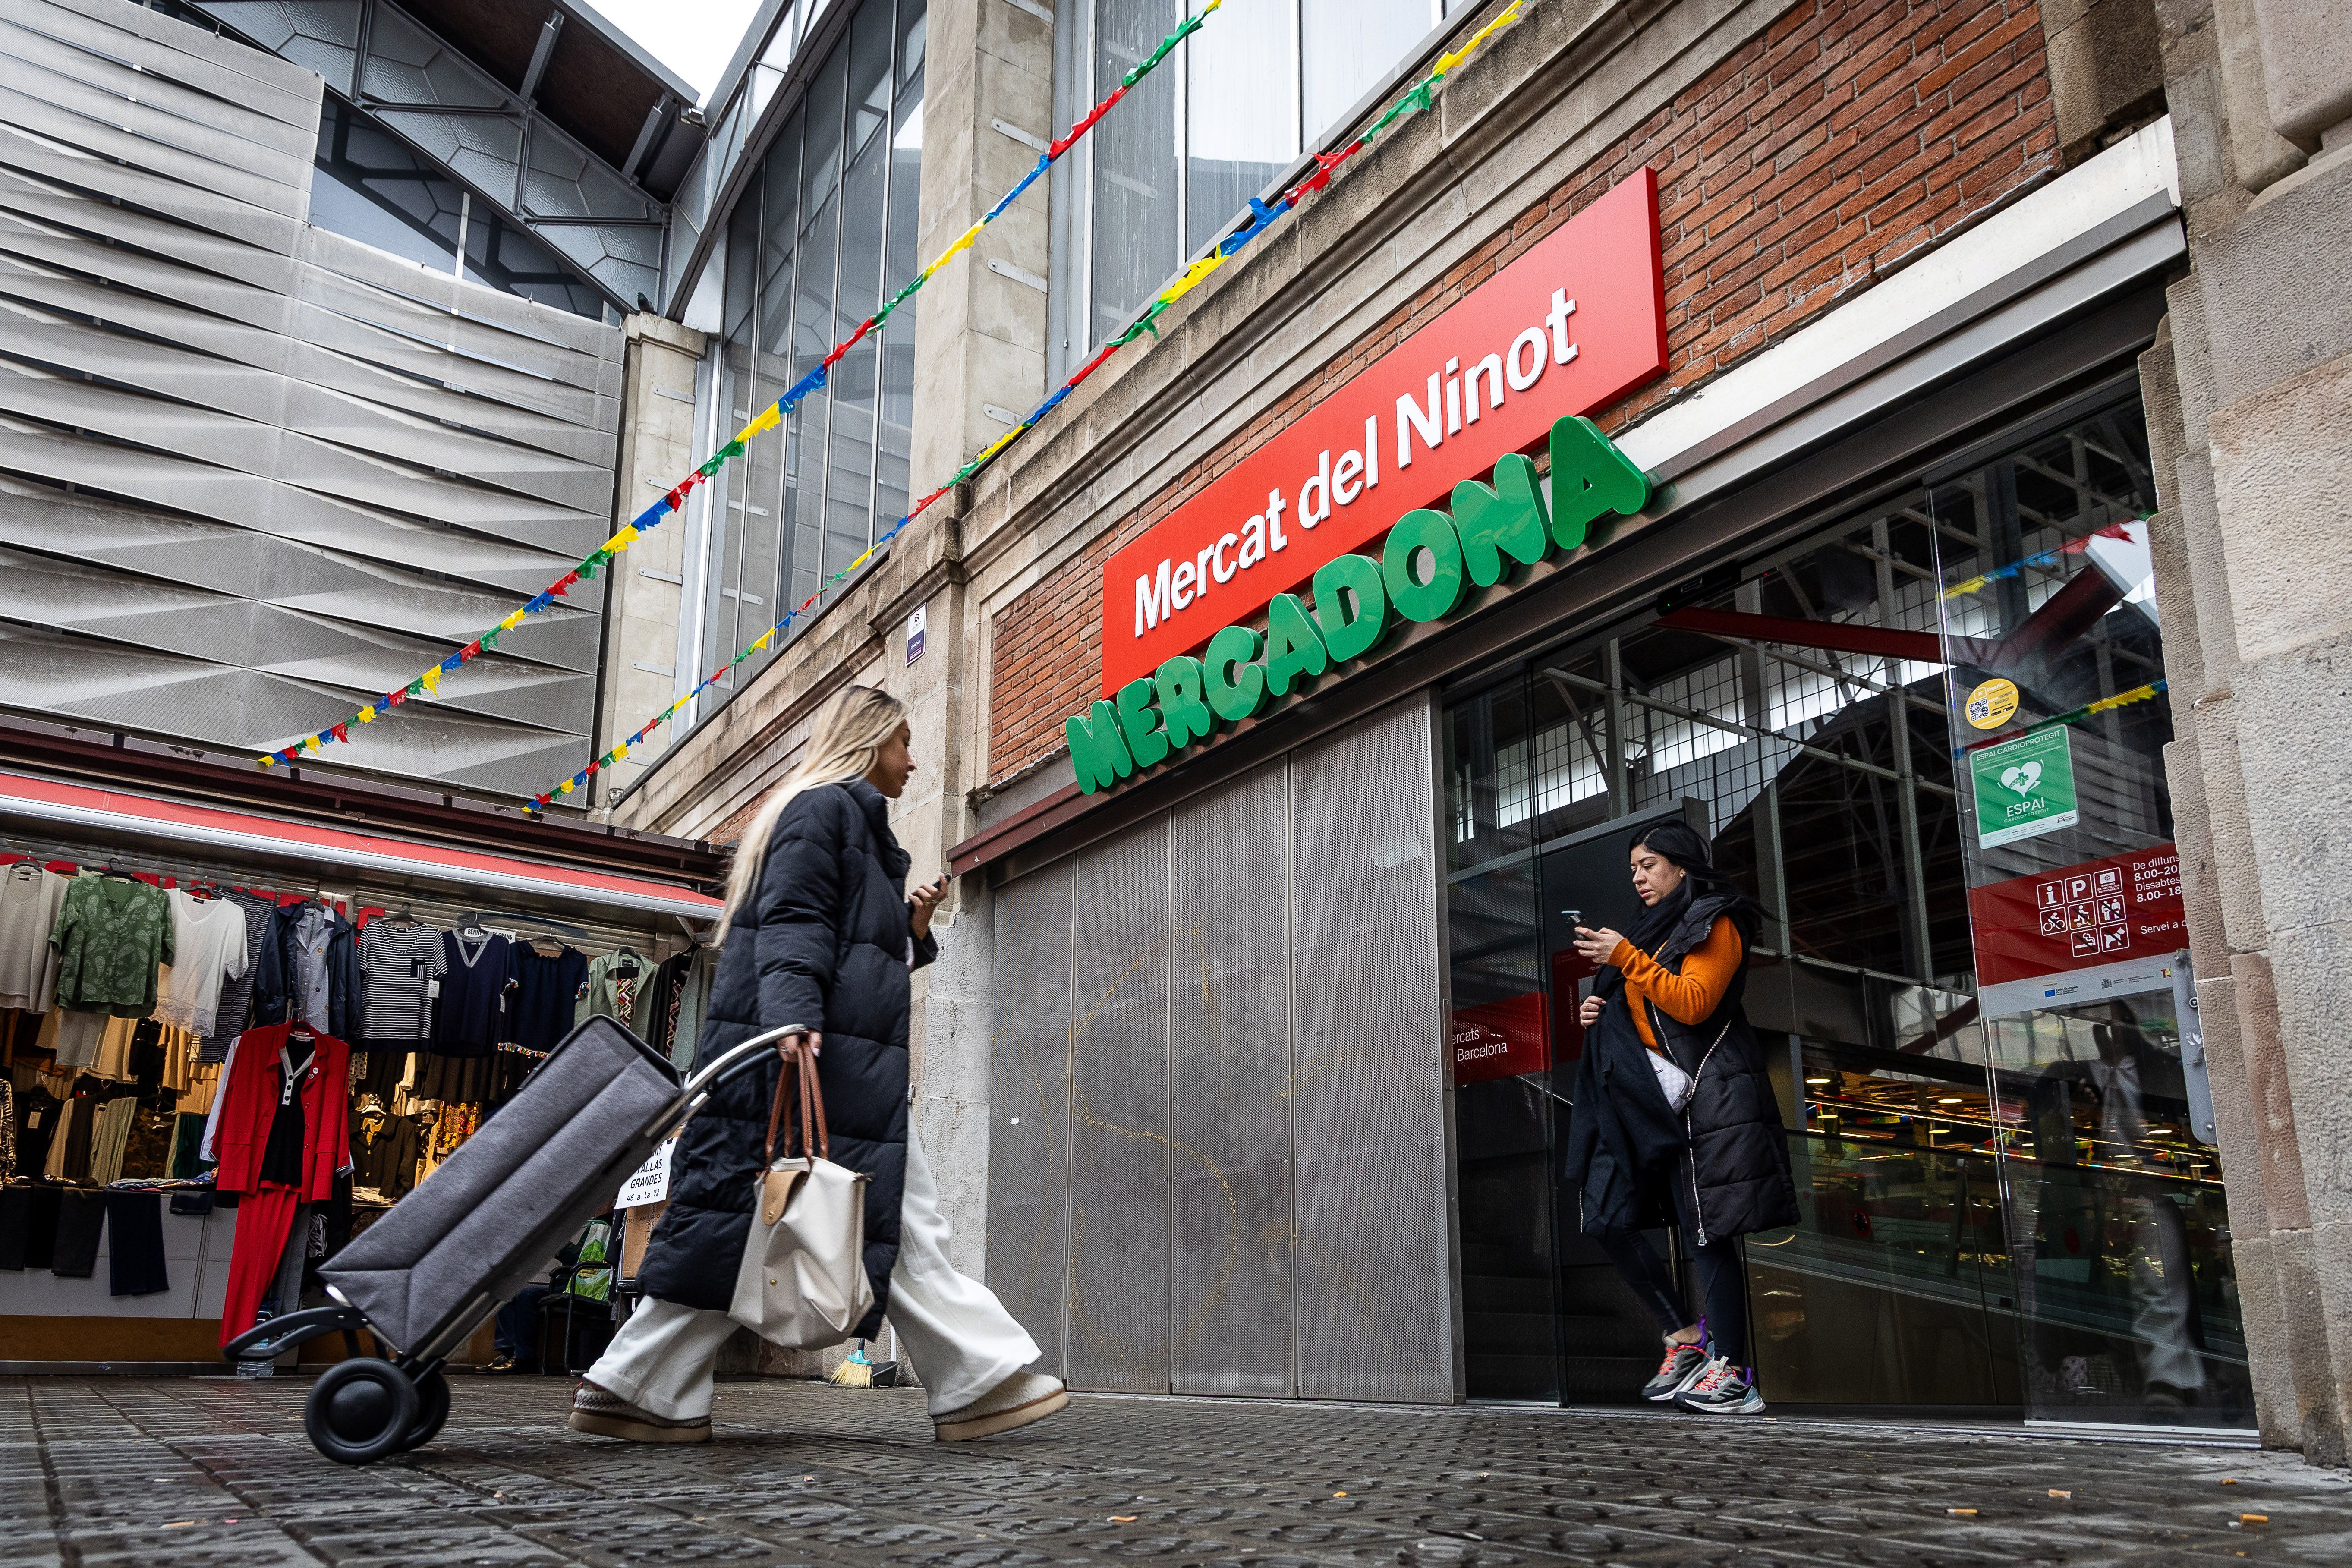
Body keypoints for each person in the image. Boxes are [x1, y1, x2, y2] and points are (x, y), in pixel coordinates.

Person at [567, 686, 1066, 1444]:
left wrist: (911, 932)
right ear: (868, 742)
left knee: (786, 1228)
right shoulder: (826, 811)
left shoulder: (841, 821)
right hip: (812, 1062)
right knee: (862, 1221)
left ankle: (639, 1387)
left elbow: (844, 942)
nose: (913, 759)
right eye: (903, 742)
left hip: (832, 1064)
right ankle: (980, 1376)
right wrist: (794, 1015)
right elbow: (795, 925)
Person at [1561, 820, 1798, 1415]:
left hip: (1708, 1096)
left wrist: (1626, 960)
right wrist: (1605, 1007)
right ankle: (1683, 1335)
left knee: (1707, 1231)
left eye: (1649, 865)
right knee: (1605, 1214)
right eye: (1634, 869)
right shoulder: (1652, 933)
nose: (1639, 877)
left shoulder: (1717, 919)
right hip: (1648, 1101)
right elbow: (1649, 1003)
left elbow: (1694, 1000)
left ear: (1682, 866)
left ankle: (1735, 1372)